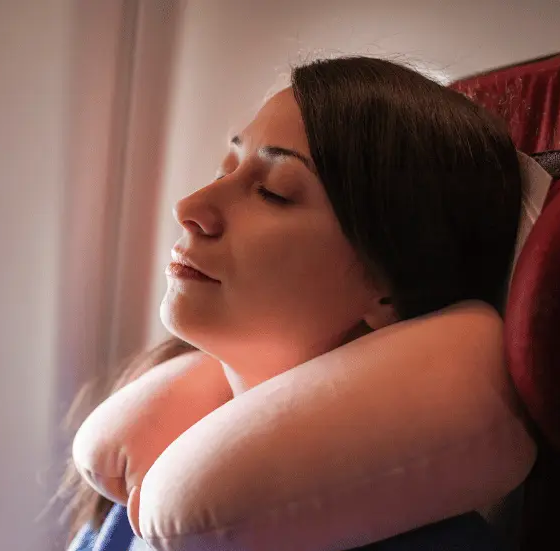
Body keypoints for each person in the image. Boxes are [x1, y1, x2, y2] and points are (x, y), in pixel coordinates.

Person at [57, 54, 524, 551]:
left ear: (389, 285)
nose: (190, 208)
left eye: (274, 192)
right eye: (226, 168)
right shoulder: (148, 481)